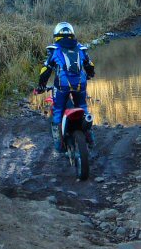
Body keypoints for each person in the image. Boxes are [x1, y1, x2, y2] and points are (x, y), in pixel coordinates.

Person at [34, 21, 95, 152]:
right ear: (72, 34)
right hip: (80, 84)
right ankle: (90, 136)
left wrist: (41, 85)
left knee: (58, 110)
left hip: (62, 86)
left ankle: (59, 144)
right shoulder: (80, 48)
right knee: (83, 107)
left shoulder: (55, 50)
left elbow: (46, 70)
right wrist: (90, 74)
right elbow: (90, 65)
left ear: (56, 35)